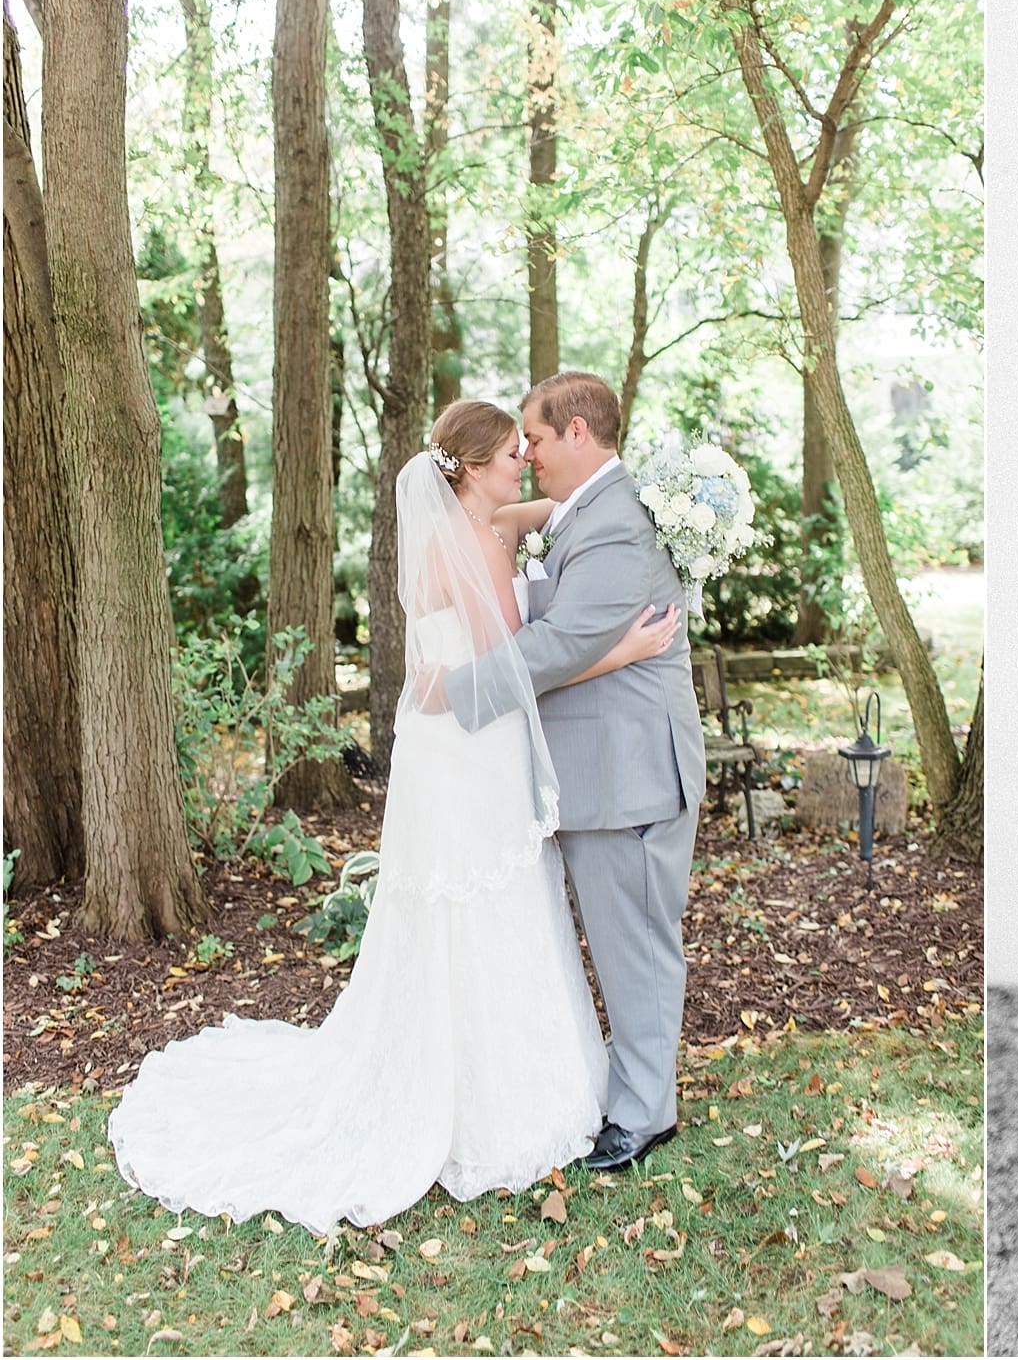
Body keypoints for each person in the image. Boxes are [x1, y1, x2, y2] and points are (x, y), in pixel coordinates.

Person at [111, 399, 678, 1233]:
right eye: (510, 453)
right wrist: (620, 650)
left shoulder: (459, 530)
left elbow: (540, 512)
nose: (523, 459)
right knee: (490, 906)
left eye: (533, 445)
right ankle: (494, 1101)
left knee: (467, 907)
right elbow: (525, 660)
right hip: (473, 743)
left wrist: (587, 507)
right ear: (475, 467)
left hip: (444, 747)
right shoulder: (482, 544)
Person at [442, 370, 706, 1173]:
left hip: (630, 773)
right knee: (627, 944)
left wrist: (458, 692)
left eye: (538, 436)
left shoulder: (618, 526)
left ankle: (643, 1114)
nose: (528, 451)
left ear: (579, 432)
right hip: (607, 770)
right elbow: (548, 530)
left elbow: (562, 644)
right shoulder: (594, 511)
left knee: (638, 948)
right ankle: (633, 1091)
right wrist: (510, 512)